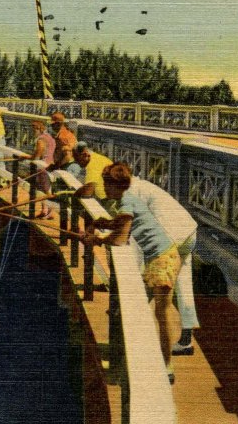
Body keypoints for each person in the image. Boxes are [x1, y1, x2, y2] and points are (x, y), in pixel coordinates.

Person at [80, 162, 182, 384]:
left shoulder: (126, 202)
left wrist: (96, 239)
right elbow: (122, 224)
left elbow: (119, 239)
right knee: (148, 311)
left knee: (161, 314)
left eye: (108, 184)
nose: (105, 189)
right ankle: (156, 362)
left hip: (161, 260)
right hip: (164, 256)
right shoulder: (127, 200)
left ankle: (166, 367)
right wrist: (105, 222)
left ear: (117, 185)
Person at [127, 177, 200, 355]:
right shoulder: (143, 186)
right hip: (188, 231)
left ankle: (135, 334)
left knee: (152, 281)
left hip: (170, 235)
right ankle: (186, 340)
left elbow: (137, 242)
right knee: (184, 285)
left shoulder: (129, 195)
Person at [22, 120, 55, 218]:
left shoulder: (41, 139)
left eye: (34, 128)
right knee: (44, 188)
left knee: (45, 190)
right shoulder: (50, 137)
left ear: (39, 128)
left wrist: (27, 157)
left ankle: (48, 212)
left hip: (42, 166)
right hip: (50, 165)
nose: (33, 131)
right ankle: (45, 211)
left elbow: (38, 152)